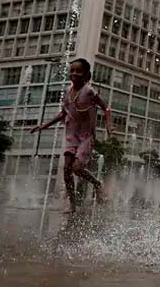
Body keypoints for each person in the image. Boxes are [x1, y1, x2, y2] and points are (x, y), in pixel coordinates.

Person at [31, 58, 113, 213]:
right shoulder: (68, 93)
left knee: (76, 168)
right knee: (66, 170)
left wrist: (108, 124)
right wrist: (43, 126)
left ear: (86, 75)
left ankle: (97, 183)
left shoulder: (89, 91)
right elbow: (63, 114)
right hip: (72, 135)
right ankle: (72, 204)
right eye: (72, 70)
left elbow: (106, 108)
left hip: (86, 137)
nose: (74, 73)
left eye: (79, 71)